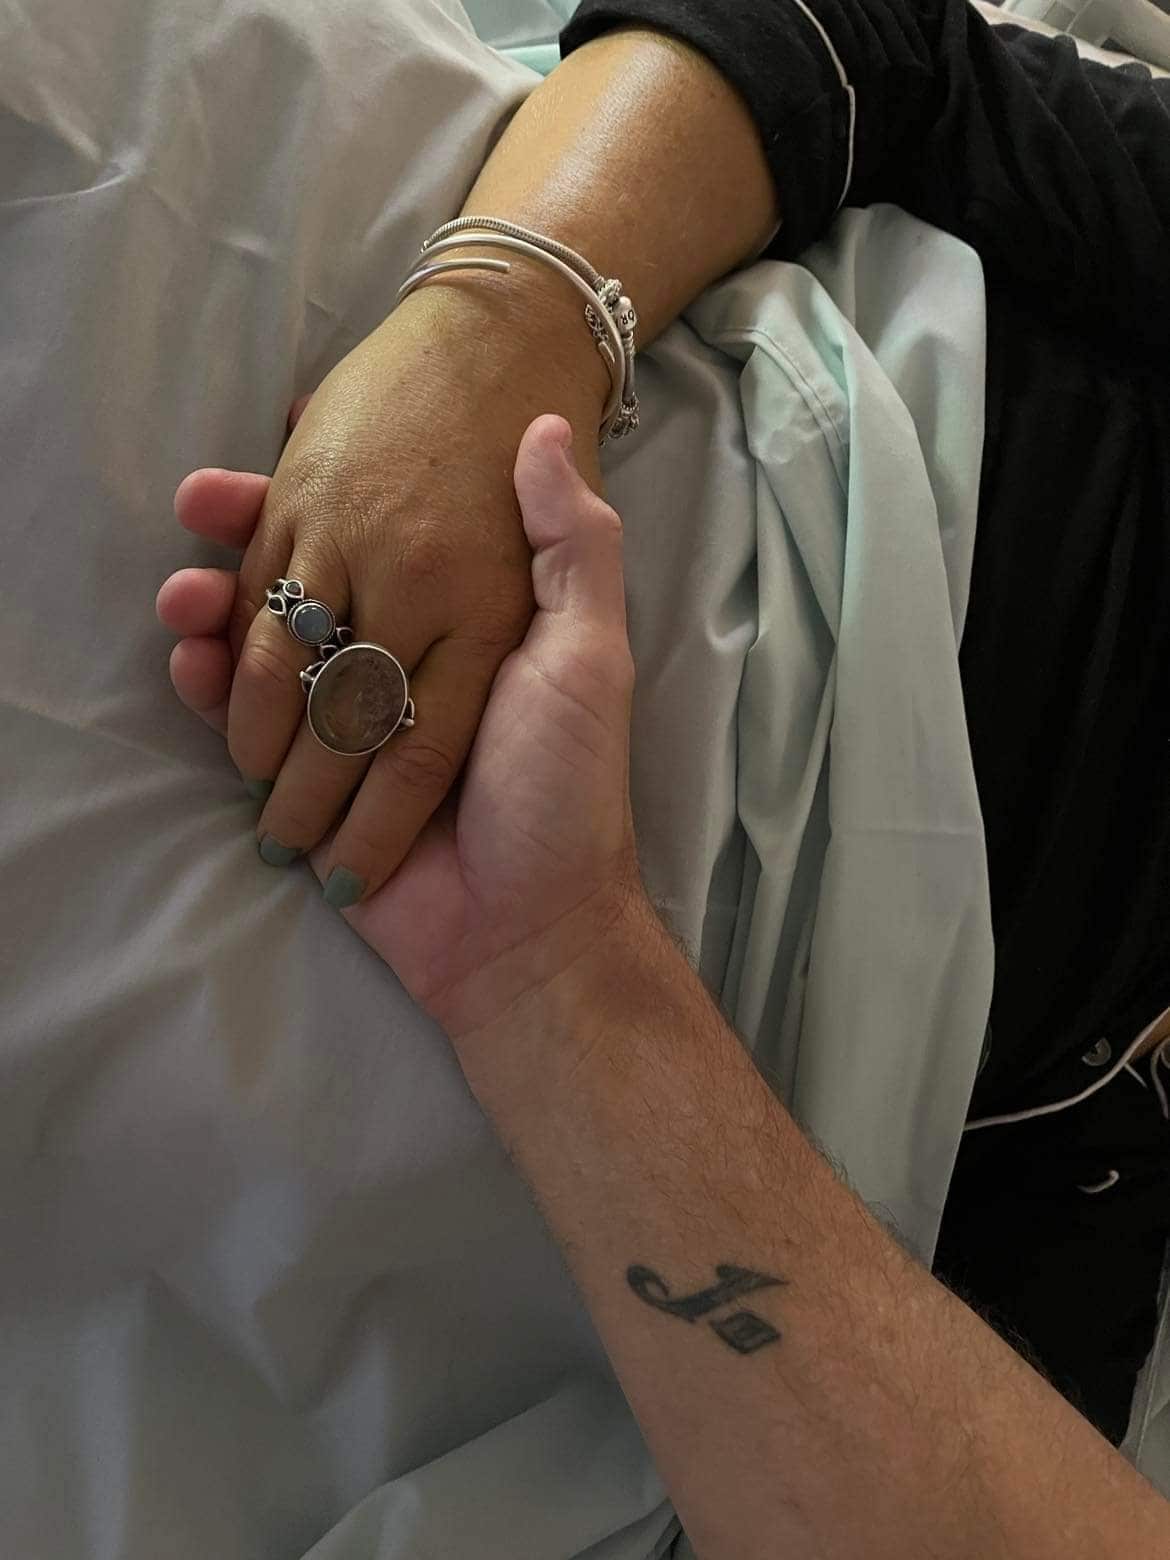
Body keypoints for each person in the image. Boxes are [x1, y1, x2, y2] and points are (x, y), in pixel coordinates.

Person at [157, 0, 1170, 1538]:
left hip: (557, 1047)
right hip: (614, 394)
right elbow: (869, 43)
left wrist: (553, 975)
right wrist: (504, 321)